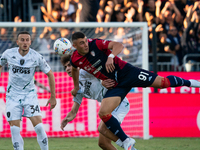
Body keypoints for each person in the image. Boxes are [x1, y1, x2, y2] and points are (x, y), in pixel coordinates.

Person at [70, 31, 200, 150]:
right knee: (103, 113)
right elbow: (75, 69)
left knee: (163, 83)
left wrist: (111, 56)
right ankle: (126, 141)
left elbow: (118, 45)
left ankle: (192, 82)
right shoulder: (75, 59)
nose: (86, 44)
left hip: (127, 73)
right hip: (116, 85)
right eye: (82, 43)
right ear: (75, 46)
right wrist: (76, 86)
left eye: (86, 41)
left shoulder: (95, 44)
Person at [60, 54, 134, 150]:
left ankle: (128, 144)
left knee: (102, 128)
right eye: (65, 67)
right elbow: (74, 111)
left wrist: (102, 80)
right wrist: (67, 119)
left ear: (77, 65)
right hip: (108, 107)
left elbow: (103, 68)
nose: (67, 68)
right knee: (103, 143)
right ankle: (128, 144)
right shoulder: (77, 88)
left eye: (69, 65)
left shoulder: (85, 71)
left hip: (119, 103)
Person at [0, 31, 57, 150]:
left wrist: (53, 96)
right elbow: (0, 64)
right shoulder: (8, 54)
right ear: (17, 42)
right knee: (14, 129)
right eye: (22, 40)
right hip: (12, 96)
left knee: (39, 128)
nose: (25, 42)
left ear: (30, 42)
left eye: (27, 40)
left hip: (29, 95)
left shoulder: (36, 56)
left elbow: (50, 74)